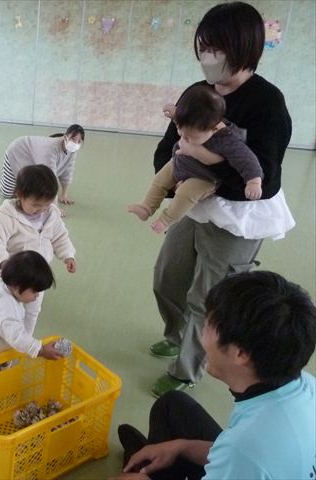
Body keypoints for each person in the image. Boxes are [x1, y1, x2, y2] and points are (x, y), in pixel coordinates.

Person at [147, 1, 294, 397]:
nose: (208, 57)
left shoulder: (267, 103)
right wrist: (174, 178)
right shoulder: (197, 93)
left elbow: (266, 175)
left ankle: (187, 368)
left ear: (244, 48)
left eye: (217, 48)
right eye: (204, 48)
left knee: (208, 299)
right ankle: (177, 336)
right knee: (168, 278)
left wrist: (207, 174)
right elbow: (168, 146)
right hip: (193, 208)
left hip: (237, 216)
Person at [112, 271, 316, 480]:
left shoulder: (245, 449)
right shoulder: (306, 386)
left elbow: (242, 456)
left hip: (247, 458)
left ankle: (143, 470)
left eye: (208, 326)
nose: (201, 335)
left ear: (241, 353)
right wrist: (181, 447)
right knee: (171, 406)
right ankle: (148, 466)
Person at [127, 85, 263, 234]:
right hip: (180, 163)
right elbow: (186, 121)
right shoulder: (194, 122)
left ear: (214, 128)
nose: (186, 139)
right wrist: (175, 115)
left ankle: (166, 220)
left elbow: (247, 160)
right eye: (181, 132)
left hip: (204, 177)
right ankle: (146, 207)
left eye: (192, 136)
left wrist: (254, 182)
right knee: (160, 180)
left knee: (185, 193)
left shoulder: (228, 140)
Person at [0, 164, 76, 340]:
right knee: (1, 305)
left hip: (36, 275)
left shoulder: (51, 214)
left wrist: (68, 255)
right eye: (36, 205)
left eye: (46, 205)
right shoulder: (7, 214)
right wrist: (4, 262)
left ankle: (24, 339)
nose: (41, 210)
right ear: (19, 194)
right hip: (14, 275)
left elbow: (60, 236)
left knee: (32, 310)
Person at [0, 250, 64, 362]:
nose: (37, 296)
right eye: (35, 291)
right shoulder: (8, 310)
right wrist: (40, 349)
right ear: (16, 286)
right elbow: (17, 337)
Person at [0, 124, 85, 204]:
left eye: (79, 141)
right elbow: (50, 178)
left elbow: (68, 171)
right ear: (65, 137)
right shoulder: (51, 149)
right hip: (18, 151)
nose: (75, 143)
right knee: (7, 194)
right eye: (73, 139)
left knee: (33, 193)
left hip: (34, 159)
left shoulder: (72, 150)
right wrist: (54, 208)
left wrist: (64, 195)